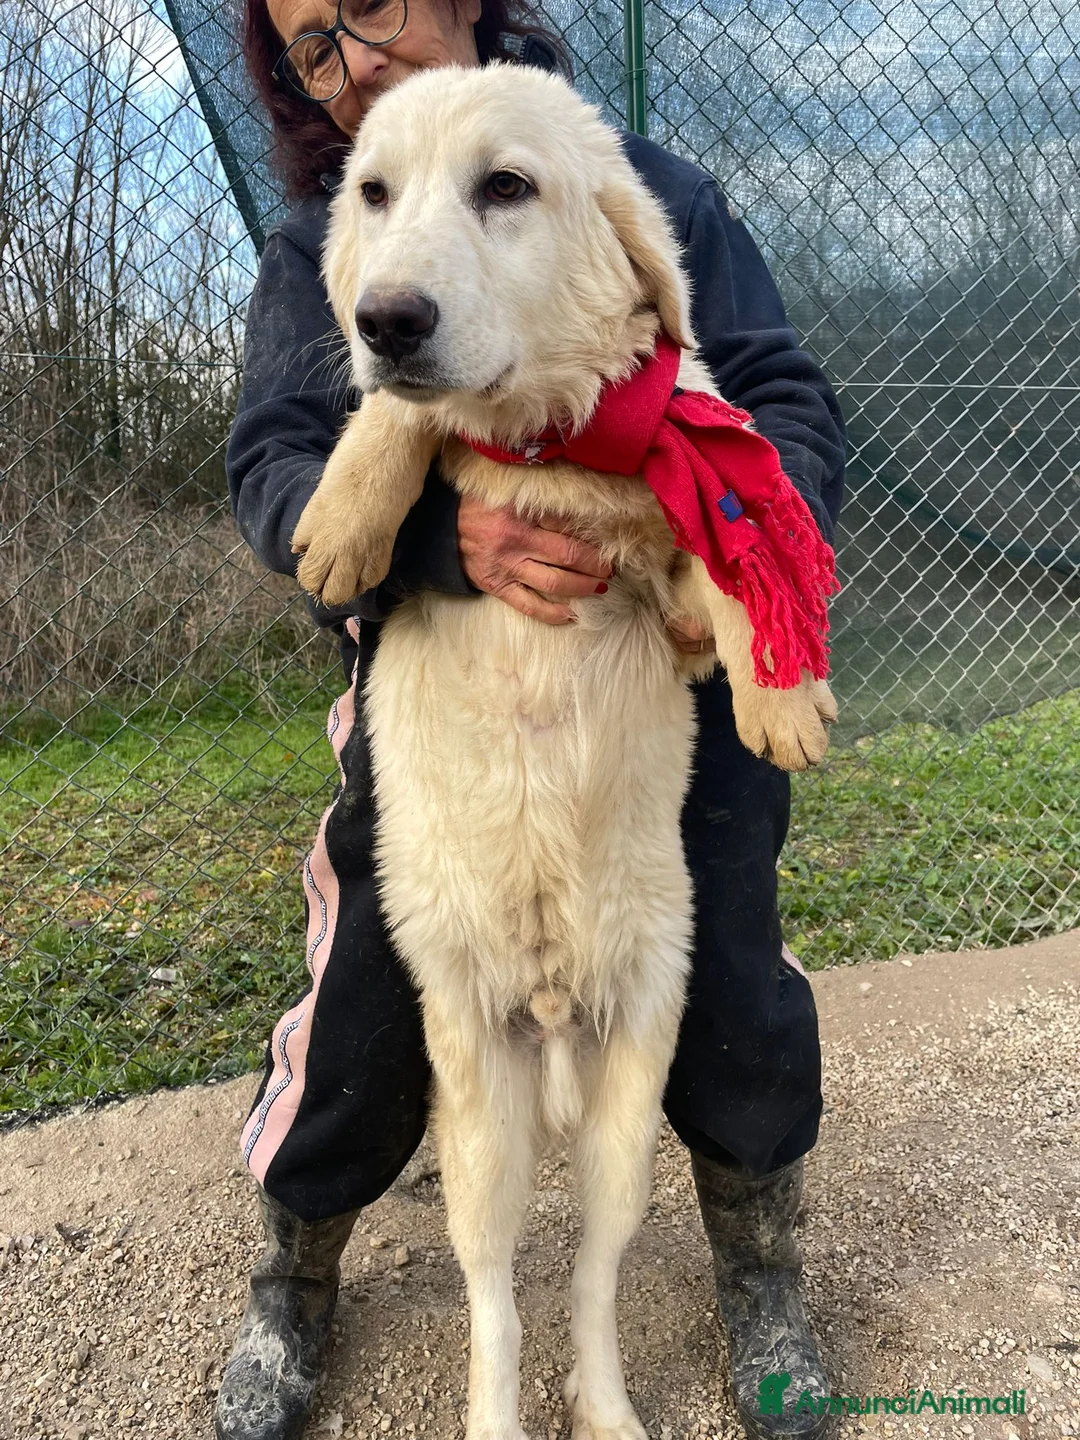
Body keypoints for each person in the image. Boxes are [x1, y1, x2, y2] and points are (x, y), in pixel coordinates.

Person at [220, 1, 846, 1437]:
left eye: (368, 4)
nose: (355, 55)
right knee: (377, 959)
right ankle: (295, 1270)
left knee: (730, 927)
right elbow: (277, 458)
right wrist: (449, 542)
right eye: (313, 46)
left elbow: (772, 395)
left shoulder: (647, 186)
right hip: (440, 686)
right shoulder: (333, 225)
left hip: (648, 676)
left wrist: (746, 568)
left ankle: (759, 1266)